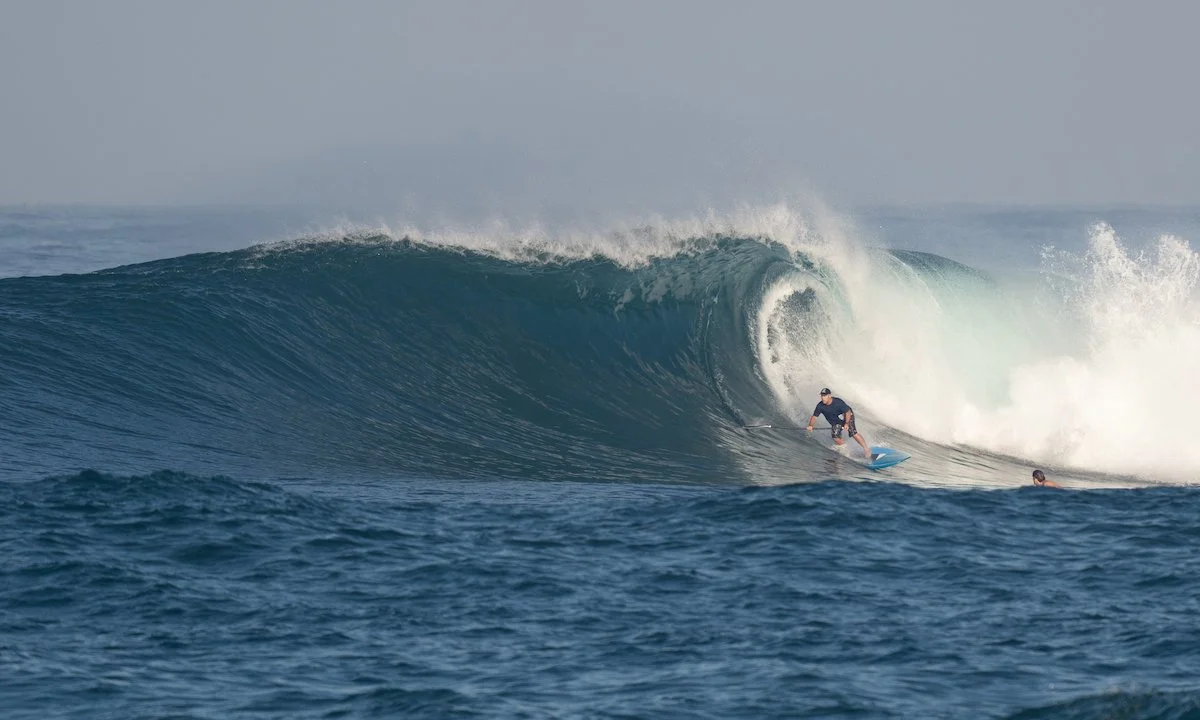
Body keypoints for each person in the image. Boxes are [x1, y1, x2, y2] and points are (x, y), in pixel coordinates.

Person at [806, 388, 873, 460]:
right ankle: (847, 450)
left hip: (847, 414)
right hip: (835, 419)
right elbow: (814, 417)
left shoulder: (838, 403)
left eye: (824, 396)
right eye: (822, 396)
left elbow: (847, 412)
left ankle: (866, 449)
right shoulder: (820, 406)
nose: (823, 398)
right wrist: (811, 426)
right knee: (835, 436)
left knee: (853, 432)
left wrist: (846, 423)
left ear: (829, 396)